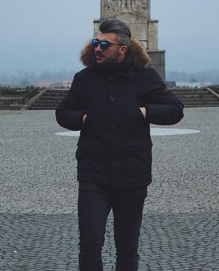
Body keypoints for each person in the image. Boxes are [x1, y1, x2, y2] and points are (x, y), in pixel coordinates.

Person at [56, 18, 184, 271]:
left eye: (104, 44)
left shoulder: (144, 77)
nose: (98, 48)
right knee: (90, 242)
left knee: (127, 247)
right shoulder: (85, 78)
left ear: (122, 49)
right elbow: (62, 113)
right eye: (95, 42)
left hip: (133, 173)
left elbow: (175, 109)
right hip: (94, 173)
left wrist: (144, 113)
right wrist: (84, 118)